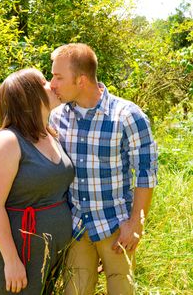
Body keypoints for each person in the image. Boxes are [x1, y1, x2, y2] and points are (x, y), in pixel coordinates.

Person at [49, 43, 158, 295]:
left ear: (81, 80)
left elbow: (146, 171)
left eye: (58, 77)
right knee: (75, 291)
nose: (52, 83)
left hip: (116, 226)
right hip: (77, 226)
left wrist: (136, 224)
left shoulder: (127, 115)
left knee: (121, 289)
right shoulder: (56, 117)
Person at [0, 68, 74, 294]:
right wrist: (11, 261)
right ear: (28, 95)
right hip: (17, 251)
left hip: (49, 251)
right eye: (44, 82)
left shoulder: (50, 134)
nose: (52, 84)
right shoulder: (8, 141)